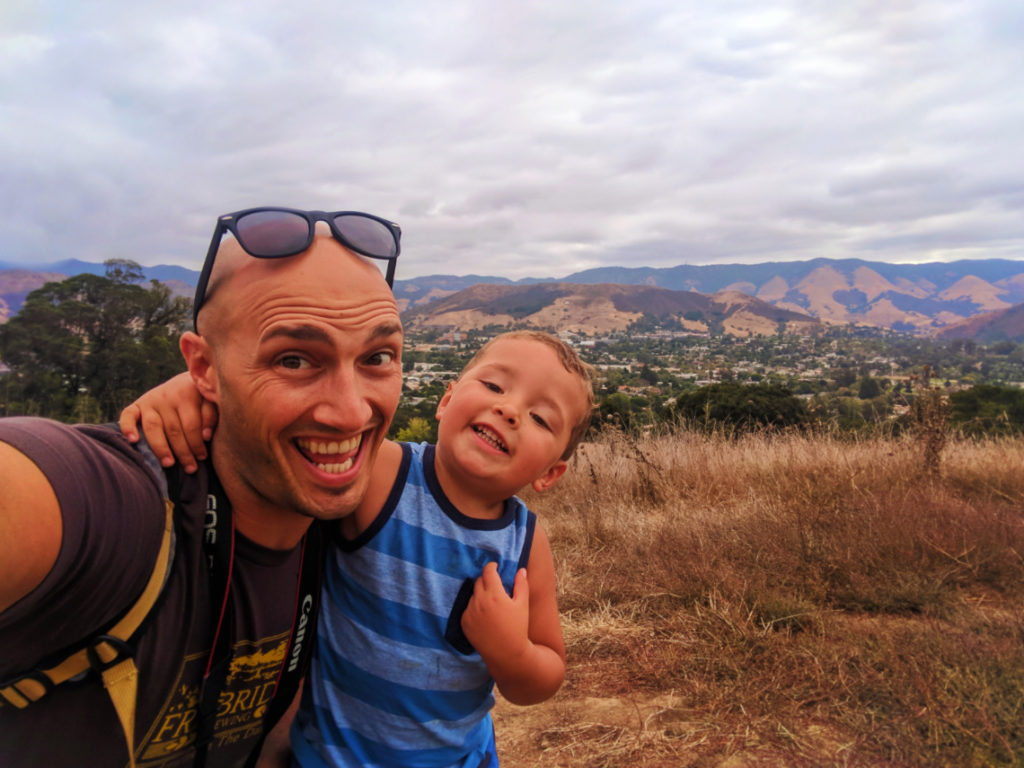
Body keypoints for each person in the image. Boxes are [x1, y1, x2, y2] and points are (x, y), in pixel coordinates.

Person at [0, 206, 405, 768]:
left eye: (378, 357)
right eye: (293, 359)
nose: (351, 411)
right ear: (203, 367)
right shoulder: (123, 507)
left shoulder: (370, 512)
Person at [122, 330, 596, 767]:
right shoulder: (382, 473)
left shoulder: (525, 545)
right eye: (494, 386)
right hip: (332, 756)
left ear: (550, 472)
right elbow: (282, 436)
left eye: (539, 417)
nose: (510, 410)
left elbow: (547, 672)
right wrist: (192, 394)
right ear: (446, 399)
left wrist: (510, 653)